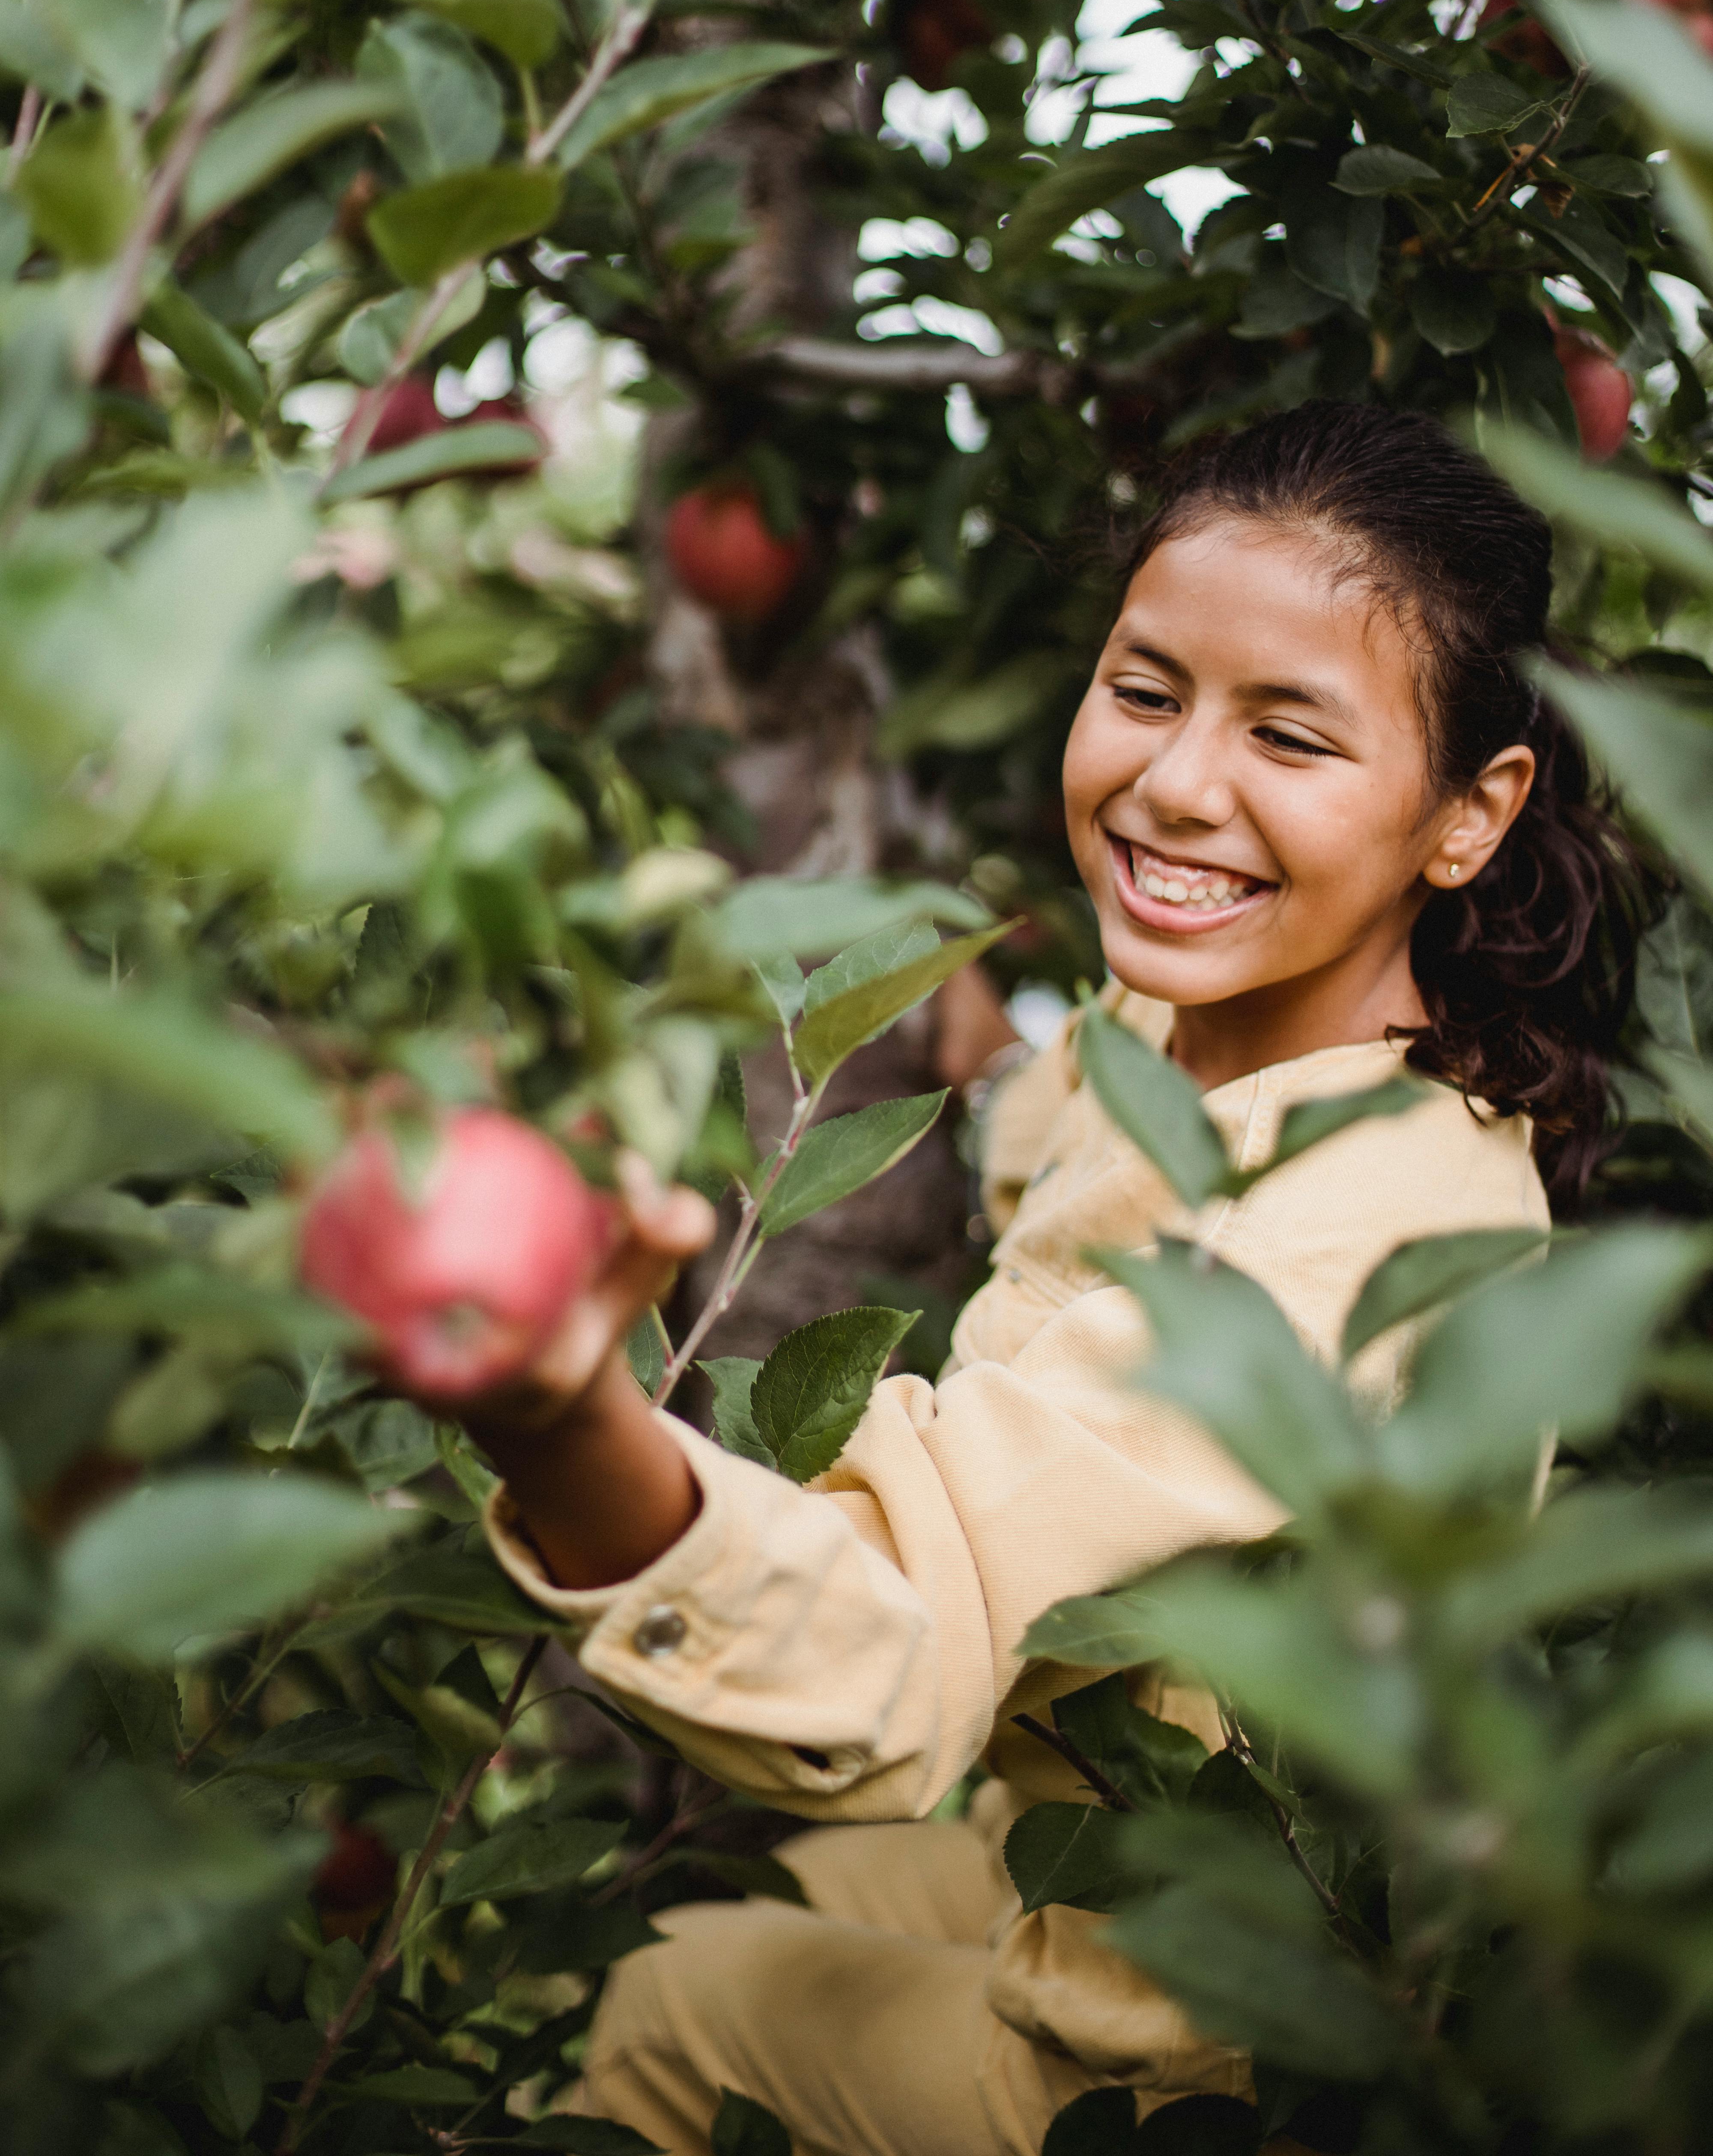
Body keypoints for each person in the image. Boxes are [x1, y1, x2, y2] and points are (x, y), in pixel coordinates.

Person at [456, 404, 1655, 2156]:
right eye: (1148, 689)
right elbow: (1091, 1121)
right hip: (1123, 1861)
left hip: (1204, 2073)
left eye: (1292, 737)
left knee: (672, 1997)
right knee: (834, 1870)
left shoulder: (1318, 1252)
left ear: (1467, 815)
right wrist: (1004, 1038)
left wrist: (559, 1423)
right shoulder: (1241, 1031)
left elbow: (894, 1663)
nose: (1175, 785)